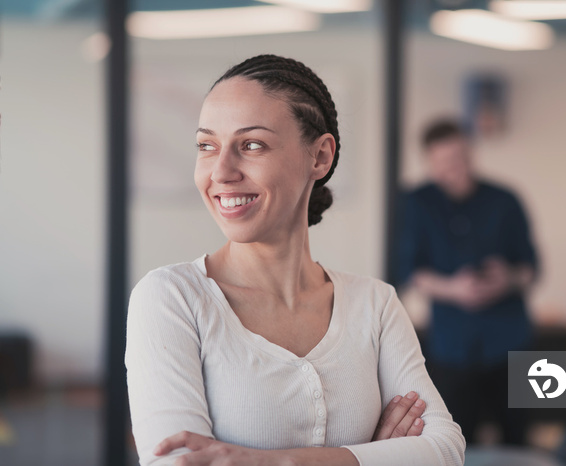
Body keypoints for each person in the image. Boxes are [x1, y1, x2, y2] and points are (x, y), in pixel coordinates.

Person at [125, 55, 465, 466]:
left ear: (320, 156)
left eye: (251, 144)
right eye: (206, 146)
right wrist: (371, 456)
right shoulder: (170, 299)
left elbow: (444, 449)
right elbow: (178, 462)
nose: (221, 171)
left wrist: (267, 461)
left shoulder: (374, 304)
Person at [396, 119, 538, 445]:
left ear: (471, 153)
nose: (455, 170)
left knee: (519, 439)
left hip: (511, 342)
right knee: (455, 441)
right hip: (451, 347)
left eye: (460, 158)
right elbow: (407, 271)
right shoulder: (414, 204)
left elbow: (531, 268)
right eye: (444, 163)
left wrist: (508, 279)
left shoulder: (505, 200)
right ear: (429, 162)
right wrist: (453, 289)